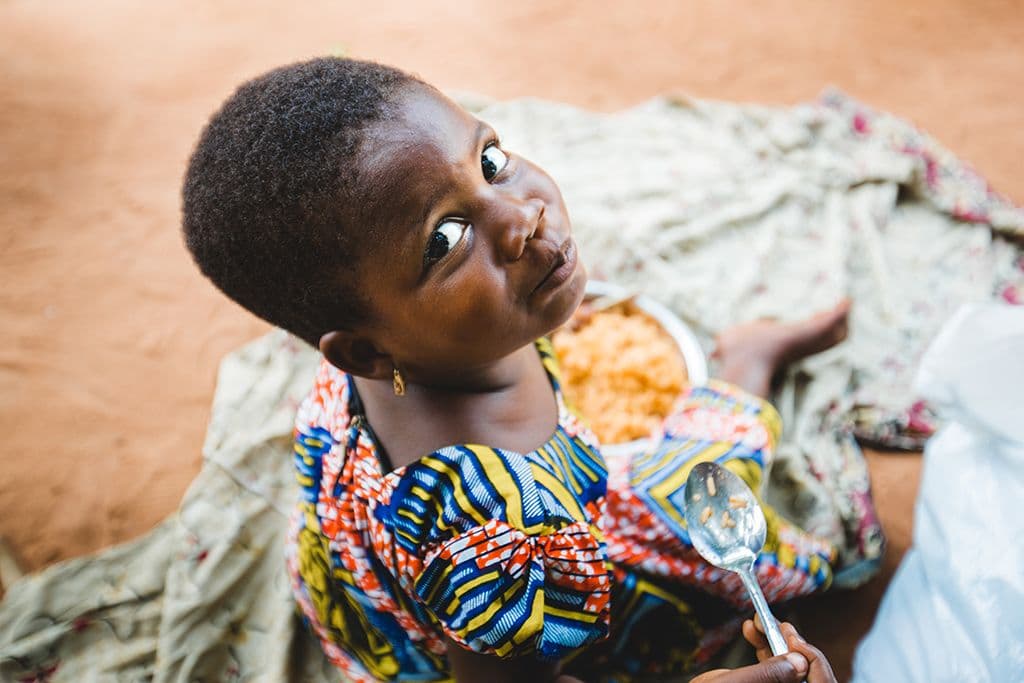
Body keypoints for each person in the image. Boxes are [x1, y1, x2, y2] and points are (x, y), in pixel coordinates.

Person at [182, 57, 847, 683]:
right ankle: (742, 369)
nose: (522, 216)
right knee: (708, 525)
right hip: (490, 615)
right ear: (364, 353)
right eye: (445, 238)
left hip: (436, 569)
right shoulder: (504, 550)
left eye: (490, 160)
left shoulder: (425, 346)